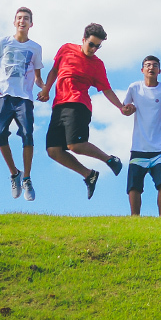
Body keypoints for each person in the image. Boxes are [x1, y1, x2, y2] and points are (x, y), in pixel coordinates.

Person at [37, 23, 134, 199]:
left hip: (78, 105)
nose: (94, 49)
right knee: (53, 151)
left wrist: (121, 107)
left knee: (75, 145)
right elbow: (55, 70)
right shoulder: (66, 49)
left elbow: (107, 90)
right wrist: (46, 89)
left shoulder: (97, 65)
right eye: (91, 44)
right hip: (58, 105)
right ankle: (89, 175)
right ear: (83, 40)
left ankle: (110, 159)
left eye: (98, 46)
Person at [0, 6, 43, 201]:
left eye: (26, 18)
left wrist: (44, 88)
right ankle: (14, 173)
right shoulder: (3, 43)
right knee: (0, 134)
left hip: (24, 98)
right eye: (19, 18)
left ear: (31, 24)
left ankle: (27, 178)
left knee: (27, 134)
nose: (22, 21)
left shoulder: (35, 48)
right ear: (14, 21)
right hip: (2, 96)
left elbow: (37, 77)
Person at [122, 55, 161, 217]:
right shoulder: (134, 88)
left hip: (160, 148)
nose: (151, 68)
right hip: (139, 147)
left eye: (155, 65)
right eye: (147, 65)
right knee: (134, 185)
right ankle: (135, 218)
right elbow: (125, 109)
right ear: (142, 70)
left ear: (160, 70)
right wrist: (128, 110)